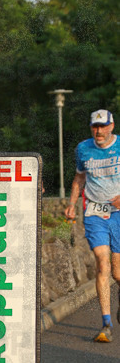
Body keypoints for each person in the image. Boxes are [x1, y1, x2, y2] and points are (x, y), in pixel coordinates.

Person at [65, 109, 120, 342]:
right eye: (94, 127)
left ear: (111, 126)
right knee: (102, 262)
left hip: (118, 213)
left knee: (117, 271)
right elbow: (80, 178)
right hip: (95, 212)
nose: (98, 131)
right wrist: (71, 204)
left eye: (102, 126)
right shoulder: (83, 149)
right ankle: (106, 324)